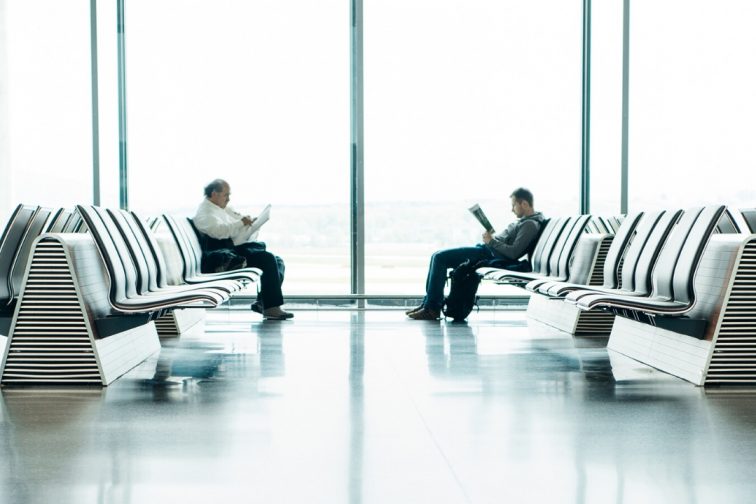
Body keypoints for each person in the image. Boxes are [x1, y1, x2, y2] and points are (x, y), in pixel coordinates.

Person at [408, 187, 546, 320]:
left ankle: (432, 309)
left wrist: (491, 242)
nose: (512, 209)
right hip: (486, 250)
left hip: (487, 254)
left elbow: (513, 253)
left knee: (439, 257)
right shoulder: (526, 222)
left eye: (514, 205)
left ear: (525, 204)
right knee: (436, 255)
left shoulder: (530, 225)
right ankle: (428, 304)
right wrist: (492, 239)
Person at [193, 179, 293, 320]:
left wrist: (250, 224)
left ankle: (263, 303)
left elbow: (235, 226)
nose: (228, 199)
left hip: (233, 249)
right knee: (268, 259)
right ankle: (271, 307)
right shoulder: (205, 213)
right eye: (226, 195)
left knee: (277, 261)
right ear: (214, 194)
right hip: (225, 255)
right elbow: (219, 231)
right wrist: (241, 223)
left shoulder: (220, 208)